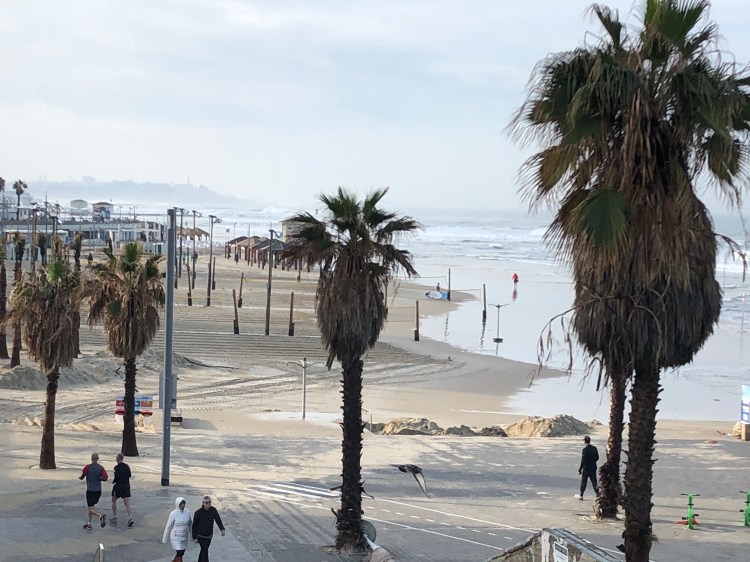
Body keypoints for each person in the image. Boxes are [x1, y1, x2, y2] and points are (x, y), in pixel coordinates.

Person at [79, 452, 109, 530]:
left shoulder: (87, 467)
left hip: (90, 490)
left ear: (91, 458)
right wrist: (99, 478)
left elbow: (83, 476)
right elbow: (105, 478)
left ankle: (100, 516)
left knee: (91, 509)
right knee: (91, 507)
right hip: (98, 491)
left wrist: (80, 478)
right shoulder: (101, 468)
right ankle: (89, 523)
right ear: (98, 459)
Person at [192, 496, 225, 562]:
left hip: (209, 536)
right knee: (205, 550)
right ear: (203, 503)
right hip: (200, 535)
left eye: (209, 502)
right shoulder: (198, 513)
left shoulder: (213, 510)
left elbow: (218, 520)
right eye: (206, 502)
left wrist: (222, 529)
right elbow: (194, 525)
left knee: (204, 550)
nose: (208, 504)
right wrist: (194, 537)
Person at [163, 496, 192, 562]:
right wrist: (165, 538)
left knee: (182, 552)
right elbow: (168, 526)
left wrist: (192, 536)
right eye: (181, 504)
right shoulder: (173, 514)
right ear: (177, 504)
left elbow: (190, 524)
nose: (182, 505)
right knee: (179, 552)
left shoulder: (187, 512)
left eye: (184, 503)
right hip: (176, 536)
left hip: (184, 536)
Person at [110, 453, 134, 527]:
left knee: (113, 500)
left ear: (118, 459)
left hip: (118, 486)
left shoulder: (116, 468)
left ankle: (115, 516)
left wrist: (113, 481)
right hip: (126, 486)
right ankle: (130, 517)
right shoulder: (127, 466)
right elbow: (129, 475)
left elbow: (116, 477)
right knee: (127, 503)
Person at [576, 435, 600, 500]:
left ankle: (581, 495)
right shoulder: (594, 448)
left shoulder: (585, 450)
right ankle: (598, 494)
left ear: (584, 441)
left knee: (584, 482)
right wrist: (593, 462)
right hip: (593, 467)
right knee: (594, 481)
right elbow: (597, 457)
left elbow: (583, 460)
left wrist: (580, 469)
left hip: (586, 468)